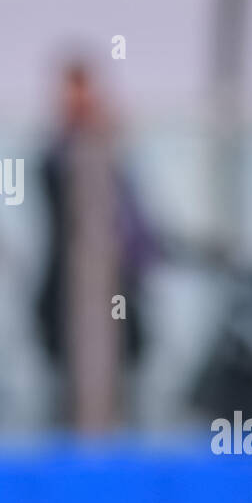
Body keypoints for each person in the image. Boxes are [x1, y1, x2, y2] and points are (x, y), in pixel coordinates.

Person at [35, 58, 159, 431]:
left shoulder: (114, 158)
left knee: (122, 390)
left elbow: (136, 229)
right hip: (67, 300)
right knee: (69, 396)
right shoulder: (58, 159)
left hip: (117, 296)